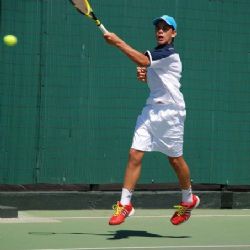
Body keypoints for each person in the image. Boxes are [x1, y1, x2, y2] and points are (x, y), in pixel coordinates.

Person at [103, 15, 200, 226]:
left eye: (166, 28)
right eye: (158, 28)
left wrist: (118, 42)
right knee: (134, 153)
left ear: (173, 33)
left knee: (175, 160)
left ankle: (188, 199)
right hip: (150, 111)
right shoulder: (157, 54)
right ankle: (125, 204)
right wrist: (147, 76)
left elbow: (143, 60)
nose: (160, 31)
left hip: (171, 113)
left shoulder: (169, 53)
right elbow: (156, 74)